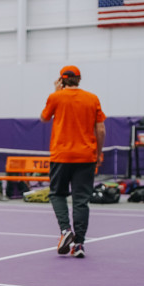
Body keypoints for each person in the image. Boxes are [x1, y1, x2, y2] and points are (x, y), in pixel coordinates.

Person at [41, 65, 106, 258]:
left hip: (61, 156)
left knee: (56, 194)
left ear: (61, 80)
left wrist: (56, 92)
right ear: (79, 79)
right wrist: (98, 154)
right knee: (81, 201)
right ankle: (79, 245)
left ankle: (65, 230)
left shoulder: (55, 98)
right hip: (86, 157)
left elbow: (44, 118)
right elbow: (101, 130)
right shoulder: (92, 98)